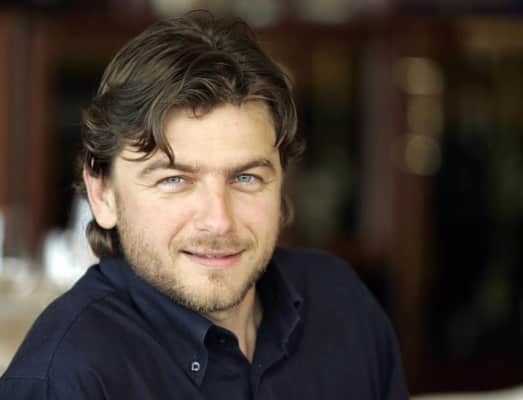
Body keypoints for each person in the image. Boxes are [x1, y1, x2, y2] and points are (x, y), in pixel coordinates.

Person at [0, 11, 408, 399]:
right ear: (102, 195)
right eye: (174, 180)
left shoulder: (340, 305)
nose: (218, 221)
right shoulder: (65, 381)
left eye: (246, 178)